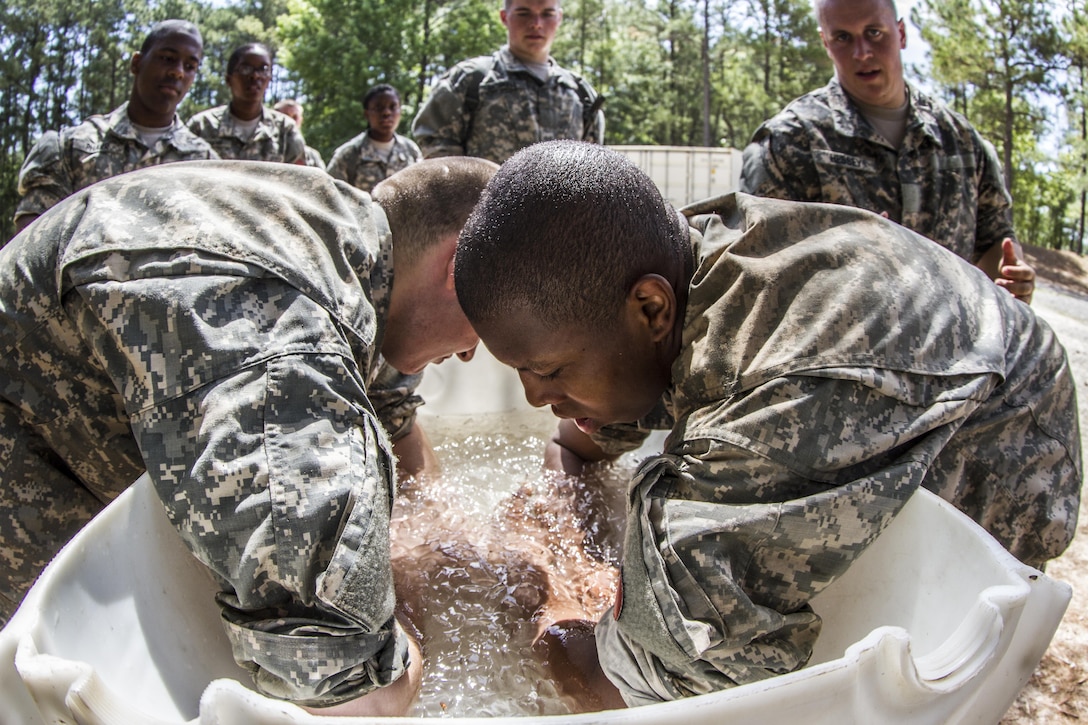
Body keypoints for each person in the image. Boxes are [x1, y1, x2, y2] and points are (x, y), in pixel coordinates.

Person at [454, 140, 1081, 706]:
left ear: (650, 308)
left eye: (551, 370)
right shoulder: (674, 272)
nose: (535, 399)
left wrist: (545, 599)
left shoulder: (768, 405)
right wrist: (567, 535)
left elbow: (641, 687)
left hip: (1004, 459)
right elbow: (573, 451)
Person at [0, 156, 498, 715]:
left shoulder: (348, 252)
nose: (470, 351)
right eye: (486, 324)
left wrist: (443, 536)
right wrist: (413, 633)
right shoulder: (282, 330)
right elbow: (343, 683)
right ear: (458, 268)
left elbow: (397, 420)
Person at [739, 0, 1036, 305]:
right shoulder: (790, 141)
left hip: (954, 349)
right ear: (825, 42)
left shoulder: (960, 140)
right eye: (843, 37)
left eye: (874, 32)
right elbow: (756, 273)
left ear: (901, 33)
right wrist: (846, 261)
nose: (862, 52)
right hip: (841, 349)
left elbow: (994, 242)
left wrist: (1012, 281)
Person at [12, 19, 217, 236]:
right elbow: (31, 242)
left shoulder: (205, 164)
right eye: (167, 58)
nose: (178, 72)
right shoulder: (69, 148)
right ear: (136, 63)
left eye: (190, 66)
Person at [411, 0, 604, 164]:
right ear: (504, 17)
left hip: (561, 209)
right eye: (523, 13)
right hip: (483, 206)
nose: (536, 23)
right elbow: (434, 146)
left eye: (547, 14)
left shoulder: (580, 93)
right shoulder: (472, 80)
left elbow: (592, 165)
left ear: (559, 18)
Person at [187, 43, 306, 164]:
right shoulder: (202, 126)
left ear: (269, 79)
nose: (255, 76)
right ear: (228, 79)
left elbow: (299, 180)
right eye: (245, 69)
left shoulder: (285, 131)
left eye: (263, 69)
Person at [326, 84, 423, 193]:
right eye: (378, 108)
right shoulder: (348, 155)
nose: (386, 113)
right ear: (367, 114)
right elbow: (331, 196)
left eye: (393, 107)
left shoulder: (411, 151)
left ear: (400, 111)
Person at [274, 98, 326, 169]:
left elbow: (324, 179)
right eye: (286, 116)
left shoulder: (312, 156)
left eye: (295, 117)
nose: (291, 121)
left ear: (301, 120)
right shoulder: (266, 149)